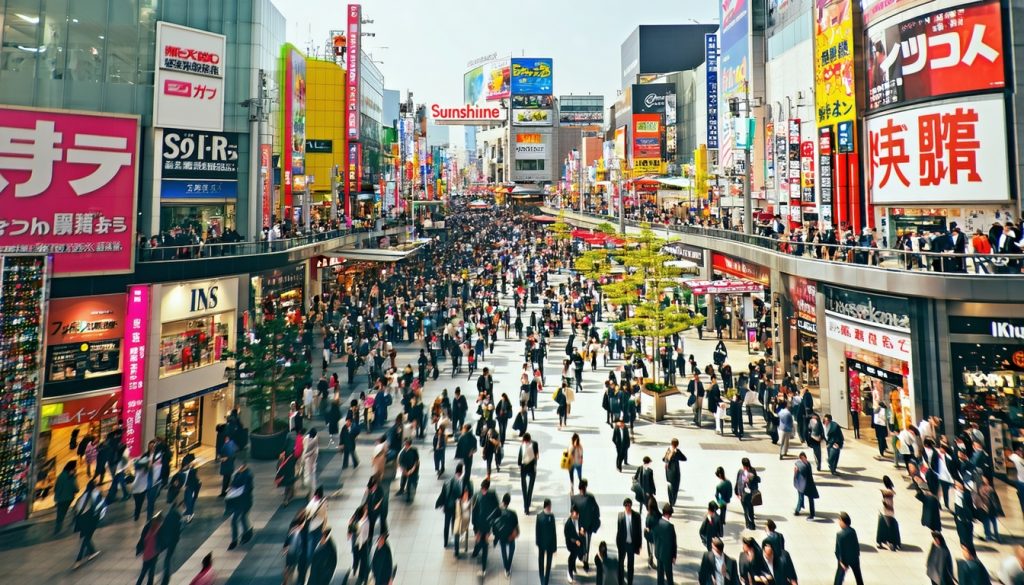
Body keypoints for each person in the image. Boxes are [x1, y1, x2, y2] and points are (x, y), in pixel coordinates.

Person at [72, 478, 105, 570]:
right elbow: (99, 507)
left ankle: (91, 552)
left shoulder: (84, 494)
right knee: (86, 538)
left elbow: (77, 507)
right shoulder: (95, 494)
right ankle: (78, 560)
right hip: (89, 519)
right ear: (94, 487)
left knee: (86, 536)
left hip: (80, 519)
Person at [471, 478, 500, 576]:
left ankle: (483, 566)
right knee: (480, 541)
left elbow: (497, 509)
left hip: (487, 525)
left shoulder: (491, 494)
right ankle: (476, 551)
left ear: (487, 488)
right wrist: (474, 524)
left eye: (484, 489)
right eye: (482, 489)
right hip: (479, 525)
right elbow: (474, 511)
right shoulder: (477, 494)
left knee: (484, 544)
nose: (483, 491)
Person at [571, 479, 601, 569]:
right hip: (579, 526)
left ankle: (586, 560)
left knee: (587, 544)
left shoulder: (590, 498)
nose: (583, 490)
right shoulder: (574, 498)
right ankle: (581, 556)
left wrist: (595, 522)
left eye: (584, 488)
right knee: (580, 543)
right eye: (582, 488)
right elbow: (572, 512)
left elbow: (596, 510)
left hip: (589, 526)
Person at [226, 463, 254, 550]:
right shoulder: (238, 474)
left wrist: (234, 488)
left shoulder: (247, 476)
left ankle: (240, 537)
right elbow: (233, 484)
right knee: (240, 518)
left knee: (239, 519)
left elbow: (245, 489)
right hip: (238, 502)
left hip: (243, 502)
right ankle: (246, 534)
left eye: (241, 467)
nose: (239, 468)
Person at [494, 493, 520, 578]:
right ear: (509, 502)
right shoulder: (513, 513)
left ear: (503, 501)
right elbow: (516, 526)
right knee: (511, 549)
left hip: (502, 536)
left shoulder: (498, 511)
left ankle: (506, 568)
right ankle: (508, 566)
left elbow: (495, 524)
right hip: (510, 536)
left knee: (503, 550)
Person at [617, 498, 642, 585]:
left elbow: (639, 531)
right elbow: (619, 531)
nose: (628, 507)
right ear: (624, 506)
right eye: (626, 505)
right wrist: (618, 544)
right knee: (620, 565)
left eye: (629, 505)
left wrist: (639, 545)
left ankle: (630, 582)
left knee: (630, 566)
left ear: (631, 506)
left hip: (632, 544)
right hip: (623, 544)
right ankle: (621, 582)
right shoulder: (620, 516)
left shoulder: (636, 516)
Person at [834, 512, 864, 585]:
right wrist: (857, 555)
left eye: (839, 520)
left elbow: (839, 549)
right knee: (858, 577)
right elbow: (856, 546)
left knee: (839, 578)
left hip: (844, 560)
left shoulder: (839, 534)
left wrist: (841, 561)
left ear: (843, 521)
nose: (839, 522)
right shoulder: (853, 531)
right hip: (854, 558)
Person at [136, 511, 164, 585]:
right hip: (153, 554)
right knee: (150, 572)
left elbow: (143, 540)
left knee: (144, 572)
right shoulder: (158, 529)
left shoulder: (148, 528)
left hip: (147, 555)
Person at [653, 504, 677, 585]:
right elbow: (673, 543)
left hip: (658, 553)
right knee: (669, 576)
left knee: (660, 575)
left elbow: (654, 538)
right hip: (667, 555)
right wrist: (674, 556)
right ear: (668, 514)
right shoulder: (670, 527)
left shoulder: (656, 523)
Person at [877, 475, 902, 550]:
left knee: (883, 527)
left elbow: (885, 501)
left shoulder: (886, 492)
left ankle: (883, 542)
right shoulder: (892, 491)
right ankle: (892, 542)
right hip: (891, 511)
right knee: (891, 527)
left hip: (886, 511)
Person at [536, 498, 558, 585]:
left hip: (545, 544)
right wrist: (555, 546)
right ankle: (544, 580)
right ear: (548, 506)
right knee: (545, 563)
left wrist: (538, 543)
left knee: (544, 563)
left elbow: (553, 531)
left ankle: (544, 580)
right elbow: (553, 532)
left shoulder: (545, 516)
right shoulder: (546, 517)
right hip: (546, 544)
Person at [54, 461, 79, 534]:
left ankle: (57, 528)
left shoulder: (60, 476)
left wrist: (56, 498)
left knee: (60, 513)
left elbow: (56, 488)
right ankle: (74, 521)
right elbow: (76, 489)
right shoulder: (71, 477)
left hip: (60, 499)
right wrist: (74, 477)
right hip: (68, 498)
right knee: (65, 512)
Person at [735, 458, 760, 530]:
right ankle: (749, 523)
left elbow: (756, 481)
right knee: (747, 509)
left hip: (747, 494)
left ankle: (750, 524)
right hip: (745, 493)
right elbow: (738, 482)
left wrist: (750, 479)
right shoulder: (743, 471)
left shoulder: (749, 472)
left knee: (748, 510)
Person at [518, 432, 539, 513]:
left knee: (524, 488)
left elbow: (519, 460)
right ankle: (528, 503)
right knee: (530, 487)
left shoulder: (522, 446)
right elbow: (537, 456)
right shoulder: (535, 444)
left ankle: (525, 507)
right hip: (532, 468)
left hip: (523, 468)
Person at [565, 506, 587, 584]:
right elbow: (568, 536)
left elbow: (582, 526)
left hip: (579, 541)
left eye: (578, 514)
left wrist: (582, 529)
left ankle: (573, 566)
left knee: (577, 555)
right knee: (573, 555)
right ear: (571, 514)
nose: (577, 516)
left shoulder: (579, 519)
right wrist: (575, 541)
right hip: (571, 543)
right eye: (576, 514)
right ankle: (570, 571)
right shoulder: (568, 524)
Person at [793, 451, 818, 519]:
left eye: (804, 458)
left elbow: (798, 472)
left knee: (810, 499)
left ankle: (811, 514)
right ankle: (797, 510)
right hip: (804, 484)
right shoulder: (802, 464)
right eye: (802, 458)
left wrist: (796, 472)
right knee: (801, 497)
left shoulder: (805, 465)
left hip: (807, 484)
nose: (803, 459)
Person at [663, 438, 686, 506]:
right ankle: (673, 501)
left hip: (668, 472)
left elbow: (664, 459)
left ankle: (670, 500)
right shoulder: (677, 452)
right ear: (677, 445)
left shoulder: (668, 450)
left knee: (669, 486)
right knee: (675, 487)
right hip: (675, 472)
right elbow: (684, 458)